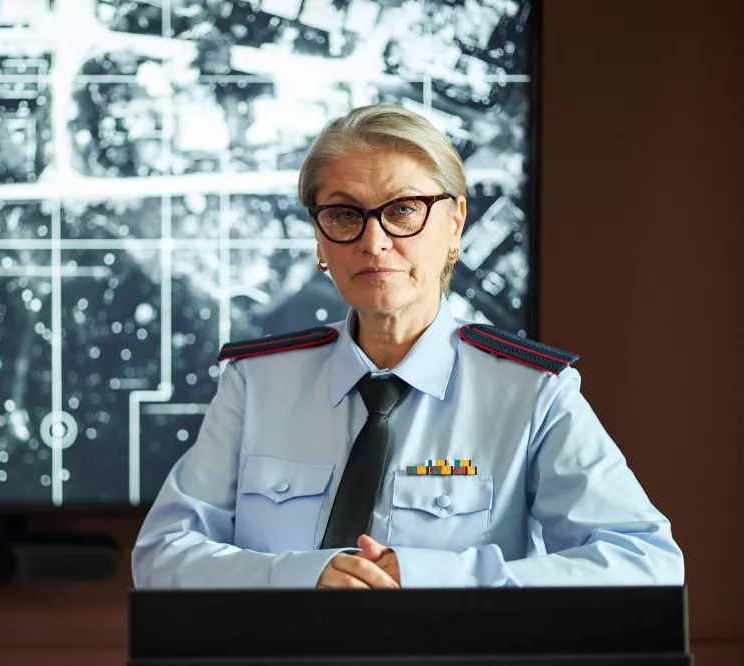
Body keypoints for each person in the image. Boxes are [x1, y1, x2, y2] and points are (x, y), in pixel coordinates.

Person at [131, 104, 684, 589]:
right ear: (320, 239)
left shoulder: (532, 392)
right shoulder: (256, 384)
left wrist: (432, 578)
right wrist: (300, 576)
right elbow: (162, 553)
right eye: (345, 214)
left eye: (403, 210)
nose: (374, 241)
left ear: (455, 224)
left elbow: (645, 562)